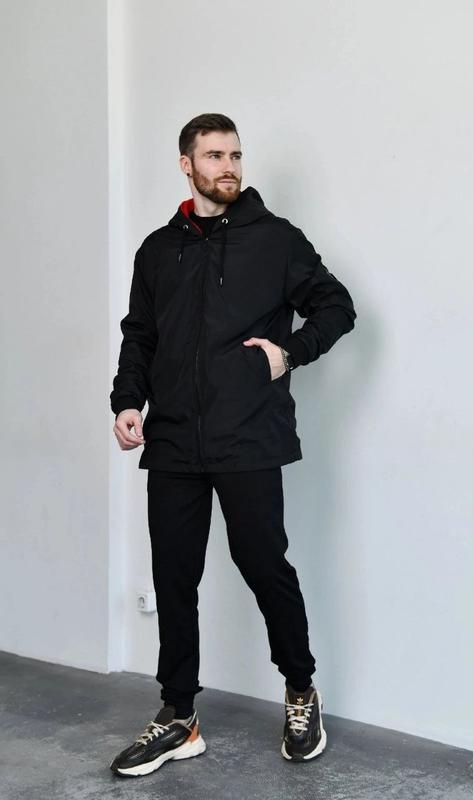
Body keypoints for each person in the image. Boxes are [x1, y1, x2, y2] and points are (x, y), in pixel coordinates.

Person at [109, 113, 356, 777]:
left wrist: (288, 353)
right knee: (174, 576)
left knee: (263, 563)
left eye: (235, 155)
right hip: (173, 440)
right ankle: (178, 716)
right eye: (214, 155)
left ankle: (300, 689)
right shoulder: (158, 250)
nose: (228, 167)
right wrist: (127, 400)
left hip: (249, 434)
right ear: (186, 164)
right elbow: (140, 335)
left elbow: (336, 306)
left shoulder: (275, 240)